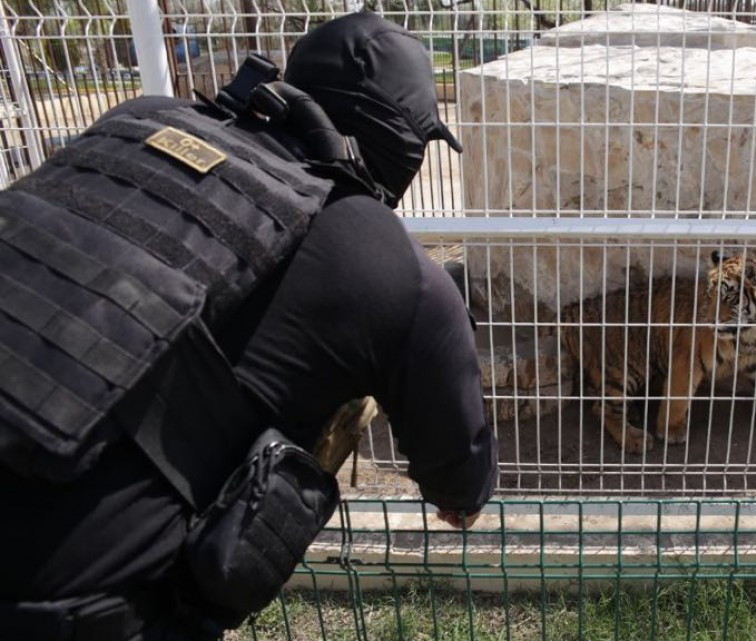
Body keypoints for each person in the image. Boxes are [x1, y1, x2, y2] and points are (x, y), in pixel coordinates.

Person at [0, 11, 497, 640]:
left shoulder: (134, 121)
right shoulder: (391, 266)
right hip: (62, 608)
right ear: (396, 139)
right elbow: (461, 488)